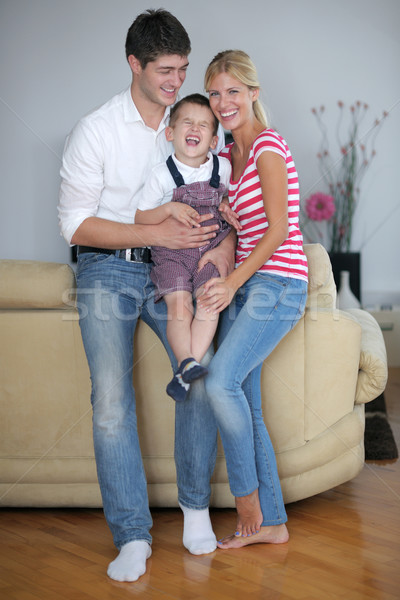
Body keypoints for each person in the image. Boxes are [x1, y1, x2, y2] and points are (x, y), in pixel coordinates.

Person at [58, 10, 236, 583]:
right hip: (107, 269)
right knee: (111, 399)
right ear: (133, 64)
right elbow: (76, 225)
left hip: (177, 267)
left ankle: (193, 509)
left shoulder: (195, 125)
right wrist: (154, 232)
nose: (175, 81)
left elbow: (227, 209)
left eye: (182, 69)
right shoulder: (96, 129)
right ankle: (133, 535)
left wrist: (225, 252)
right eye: (164, 70)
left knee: (201, 370)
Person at [199, 49, 308, 549]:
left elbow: (280, 231)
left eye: (233, 92)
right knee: (246, 401)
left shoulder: (266, 146)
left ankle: (248, 501)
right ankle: (274, 523)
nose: (224, 102)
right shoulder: (225, 158)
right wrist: (223, 207)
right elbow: (225, 214)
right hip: (250, 280)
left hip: (277, 283)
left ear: (253, 93)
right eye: (216, 93)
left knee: (220, 381)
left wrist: (234, 282)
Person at [135, 93, 240, 402]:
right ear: (171, 132)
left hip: (211, 248)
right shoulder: (161, 174)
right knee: (180, 307)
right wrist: (168, 210)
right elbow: (141, 218)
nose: (195, 128)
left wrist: (226, 208)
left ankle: (184, 373)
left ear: (213, 139)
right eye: (187, 123)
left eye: (204, 125)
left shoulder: (223, 167)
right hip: (173, 255)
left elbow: (227, 201)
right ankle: (186, 360)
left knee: (210, 304)